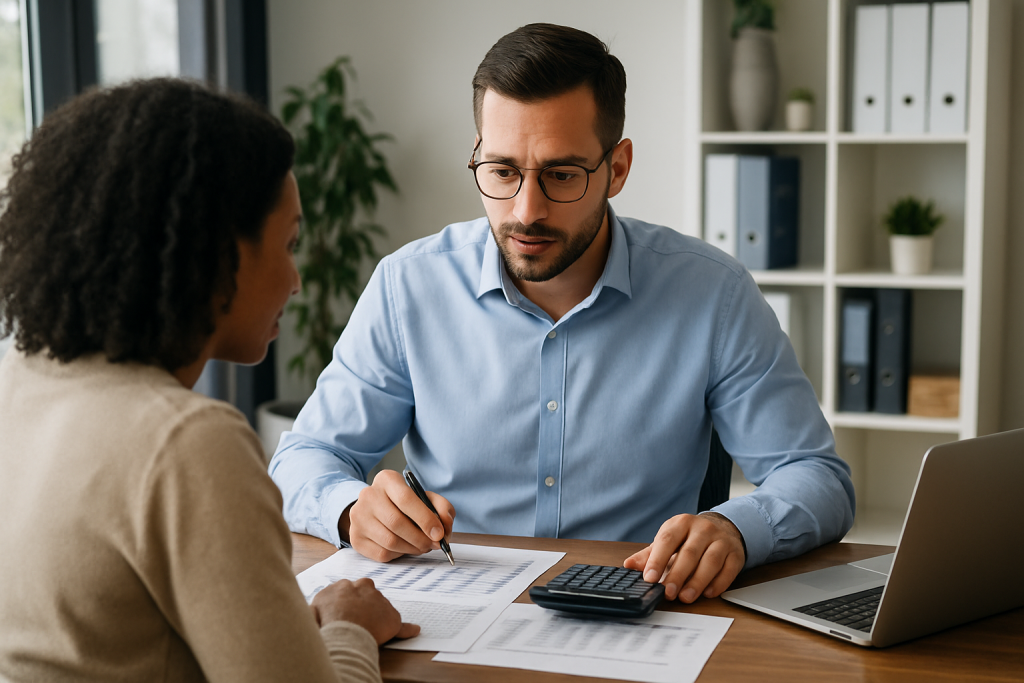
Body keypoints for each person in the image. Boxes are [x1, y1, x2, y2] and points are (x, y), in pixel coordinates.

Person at [270, 23, 856, 604]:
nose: (527, 211)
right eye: (501, 171)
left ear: (617, 168)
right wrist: (348, 509)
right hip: (455, 616)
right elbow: (304, 457)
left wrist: (737, 529)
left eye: (561, 175)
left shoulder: (713, 294)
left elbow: (816, 477)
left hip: (640, 616)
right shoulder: (409, 286)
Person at [0, 78, 417, 682]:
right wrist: (349, 626)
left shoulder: (19, 384)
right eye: (289, 243)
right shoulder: (187, 442)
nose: (298, 282)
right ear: (219, 253)